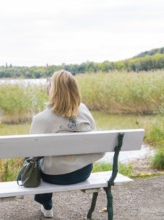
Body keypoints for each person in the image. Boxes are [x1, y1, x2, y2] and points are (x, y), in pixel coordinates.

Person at [29, 70, 104, 218]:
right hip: (83, 172)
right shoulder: (83, 110)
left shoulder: (41, 119)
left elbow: (32, 152)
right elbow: (95, 138)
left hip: (54, 175)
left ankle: (47, 205)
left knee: (35, 162)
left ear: (52, 91)